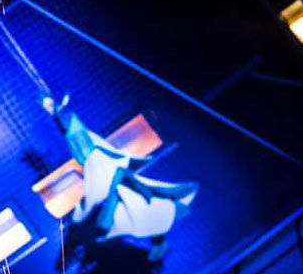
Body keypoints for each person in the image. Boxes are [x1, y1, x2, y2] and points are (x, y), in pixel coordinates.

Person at [43, 94, 197, 262]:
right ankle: (158, 230)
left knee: (86, 151)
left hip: (114, 195)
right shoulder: (98, 221)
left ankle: (158, 230)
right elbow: (115, 186)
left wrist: (55, 112)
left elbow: (78, 138)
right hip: (117, 200)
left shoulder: (95, 173)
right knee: (144, 210)